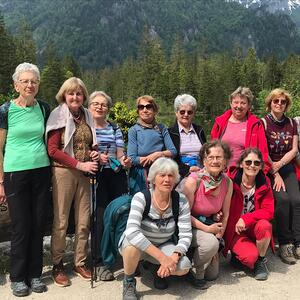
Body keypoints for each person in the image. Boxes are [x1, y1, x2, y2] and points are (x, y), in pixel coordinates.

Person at [0, 62, 51, 297]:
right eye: (25, 81)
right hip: (15, 173)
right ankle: (18, 277)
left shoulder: (43, 108)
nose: (30, 85)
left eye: (34, 81)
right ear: (16, 84)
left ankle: (35, 274)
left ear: (38, 85)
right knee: (21, 226)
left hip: (41, 171)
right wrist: (0, 181)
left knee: (38, 224)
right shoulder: (5, 110)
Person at [46, 77, 99, 287]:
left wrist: (94, 154)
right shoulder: (57, 116)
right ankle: (57, 264)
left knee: (84, 220)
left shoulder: (86, 115)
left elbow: (90, 143)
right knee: (60, 221)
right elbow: (53, 151)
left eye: (78, 93)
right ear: (64, 95)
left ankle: (80, 261)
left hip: (84, 173)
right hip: (63, 172)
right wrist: (80, 164)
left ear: (83, 96)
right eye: (71, 93)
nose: (75, 97)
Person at [120, 157, 192, 300]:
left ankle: (155, 269)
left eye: (171, 175)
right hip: (138, 245)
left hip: (164, 243)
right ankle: (128, 281)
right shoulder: (141, 197)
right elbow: (132, 232)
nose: (167, 179)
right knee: (131, 248)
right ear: (153, 179)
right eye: (162, 175)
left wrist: (173, 257)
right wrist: (163, 258)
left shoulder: (181, 200)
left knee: (183, 267)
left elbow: (186, 235)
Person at [88, 91, 131, 281]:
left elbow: (120, 153)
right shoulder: (86, 128)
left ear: (108, 108)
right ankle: (99, 262)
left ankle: (120, 255)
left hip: (115, 174)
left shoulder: (114, 128)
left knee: (121, 214)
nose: (99, 107)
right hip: (97, 175)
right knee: (100, 217)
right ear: (89, 106)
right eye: (96, 103)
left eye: (103, 104)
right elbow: (81, 150)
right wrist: (94, 155)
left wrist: (125, 161)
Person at [184, 140, 233, 288]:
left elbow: (226, 214)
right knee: (209, 245)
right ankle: (195, 271)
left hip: (210, 226)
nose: (215, 161)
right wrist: (208, 231)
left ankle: (200, 254)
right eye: (210, 157)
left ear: (225, 161)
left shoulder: (227, 182)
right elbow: (184, 215)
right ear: (203, 161)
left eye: (219, 157)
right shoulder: (194, 181)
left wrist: (218, 240)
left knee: (212, 275)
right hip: (190, 226)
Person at [262, 88, 300, 265]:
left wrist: (280, 165)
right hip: (269, 169)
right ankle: (285, 243)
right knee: (282, 200)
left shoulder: (291, 123)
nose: (279, 104)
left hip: (285, 166)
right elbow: (262, 150)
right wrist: (274, 171)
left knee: (296, 200)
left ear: (286, 105)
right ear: (270, 103)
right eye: (275, 101)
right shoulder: (263, 123)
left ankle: (297, 241)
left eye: (282, 102)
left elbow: (294, 149)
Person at [224, 148, 274, 280]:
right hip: (235, 230)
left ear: (261, 166)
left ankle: (261, 261)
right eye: (248, 162)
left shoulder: (264, 183)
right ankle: (241, 255)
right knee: (249, 257)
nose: (252, 165)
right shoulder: (230, 181)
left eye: (257, 163)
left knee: (265, 225)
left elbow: (269, 211)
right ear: (241, 164)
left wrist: (246, 219)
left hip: (253, 227)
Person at [211, 87, 270, 171]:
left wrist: (263, 171)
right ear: (231, 103)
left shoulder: (256, 124)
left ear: (249, 105)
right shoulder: (220, 122)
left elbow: (263, 151)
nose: (239, 106)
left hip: (246, 172)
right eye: (236, 102)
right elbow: (212, 148)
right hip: (221, 171)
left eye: (243, 103)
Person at [127, 95, 177, 194]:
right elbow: (132, 158)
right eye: (141, 107)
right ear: (138, 111)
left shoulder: (162, 128)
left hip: (160, 171)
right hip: (140, 173)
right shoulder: (134, 130)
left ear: (154, 110)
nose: (145, 110)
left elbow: (173, 151)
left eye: (148, 107)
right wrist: (148, 159)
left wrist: (157, 155)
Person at [168, 94, 206, 179]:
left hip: (202, 172)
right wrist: (187, 169)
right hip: (180, 174)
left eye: (189, 112)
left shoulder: (199, 130)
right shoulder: (170, 133)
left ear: (193, 114)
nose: (186, 115)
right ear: (176, 113)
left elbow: (206, 153)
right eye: (182, 111)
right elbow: (169, 159)